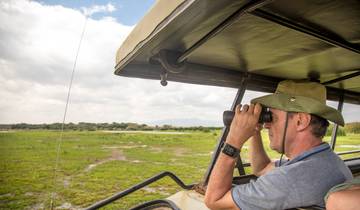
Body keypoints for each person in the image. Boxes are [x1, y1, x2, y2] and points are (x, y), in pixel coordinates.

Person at [204, 80, 353, 210]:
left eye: (272, 118)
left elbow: (214, 200)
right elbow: (261, 168)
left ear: (301, 121)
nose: (267, 125)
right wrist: (254, 131)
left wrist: (234, 139)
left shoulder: (295, 177)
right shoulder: (322, 160)